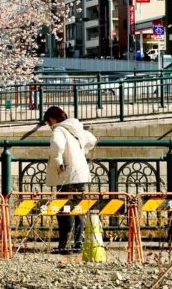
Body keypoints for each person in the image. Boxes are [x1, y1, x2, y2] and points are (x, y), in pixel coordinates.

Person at [43, 105, 98, 255]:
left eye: (48, 122)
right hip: (81, 174)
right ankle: (78, 242)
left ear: (52, 119)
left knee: (64, 209)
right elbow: (92, 139)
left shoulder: (59, 130)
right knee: (79, 208)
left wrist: (59, 162)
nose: (49, 125)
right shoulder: (76, 128)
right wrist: (81, 151)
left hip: (66, 175)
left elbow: (56, 147)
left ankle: (64, 244)